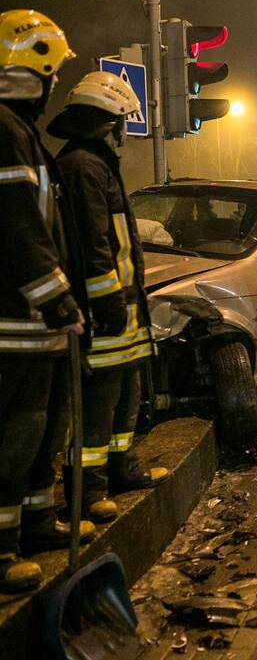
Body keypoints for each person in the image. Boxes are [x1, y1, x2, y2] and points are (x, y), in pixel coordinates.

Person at [47, 70, 168, 525]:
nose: (125, 130)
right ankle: (89, 491)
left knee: (125, 396)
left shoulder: (95, 161)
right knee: (98, 404)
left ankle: (122, 470)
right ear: (110, 118)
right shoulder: (81, 166)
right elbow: (93, 244)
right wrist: (108, 304)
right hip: (106, 311)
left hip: (123, 307)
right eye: (123, 121)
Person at [0, 9, 92, 592]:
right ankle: (2, 548)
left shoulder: (23, 133)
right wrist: (56, 298)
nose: (56, 81)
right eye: (52, 71)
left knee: (42, 428)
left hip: (35, 325)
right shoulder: (5, 132)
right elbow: (16, 228)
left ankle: (35, 521)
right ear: (32, 70)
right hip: (14, 323)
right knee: (16, 430)